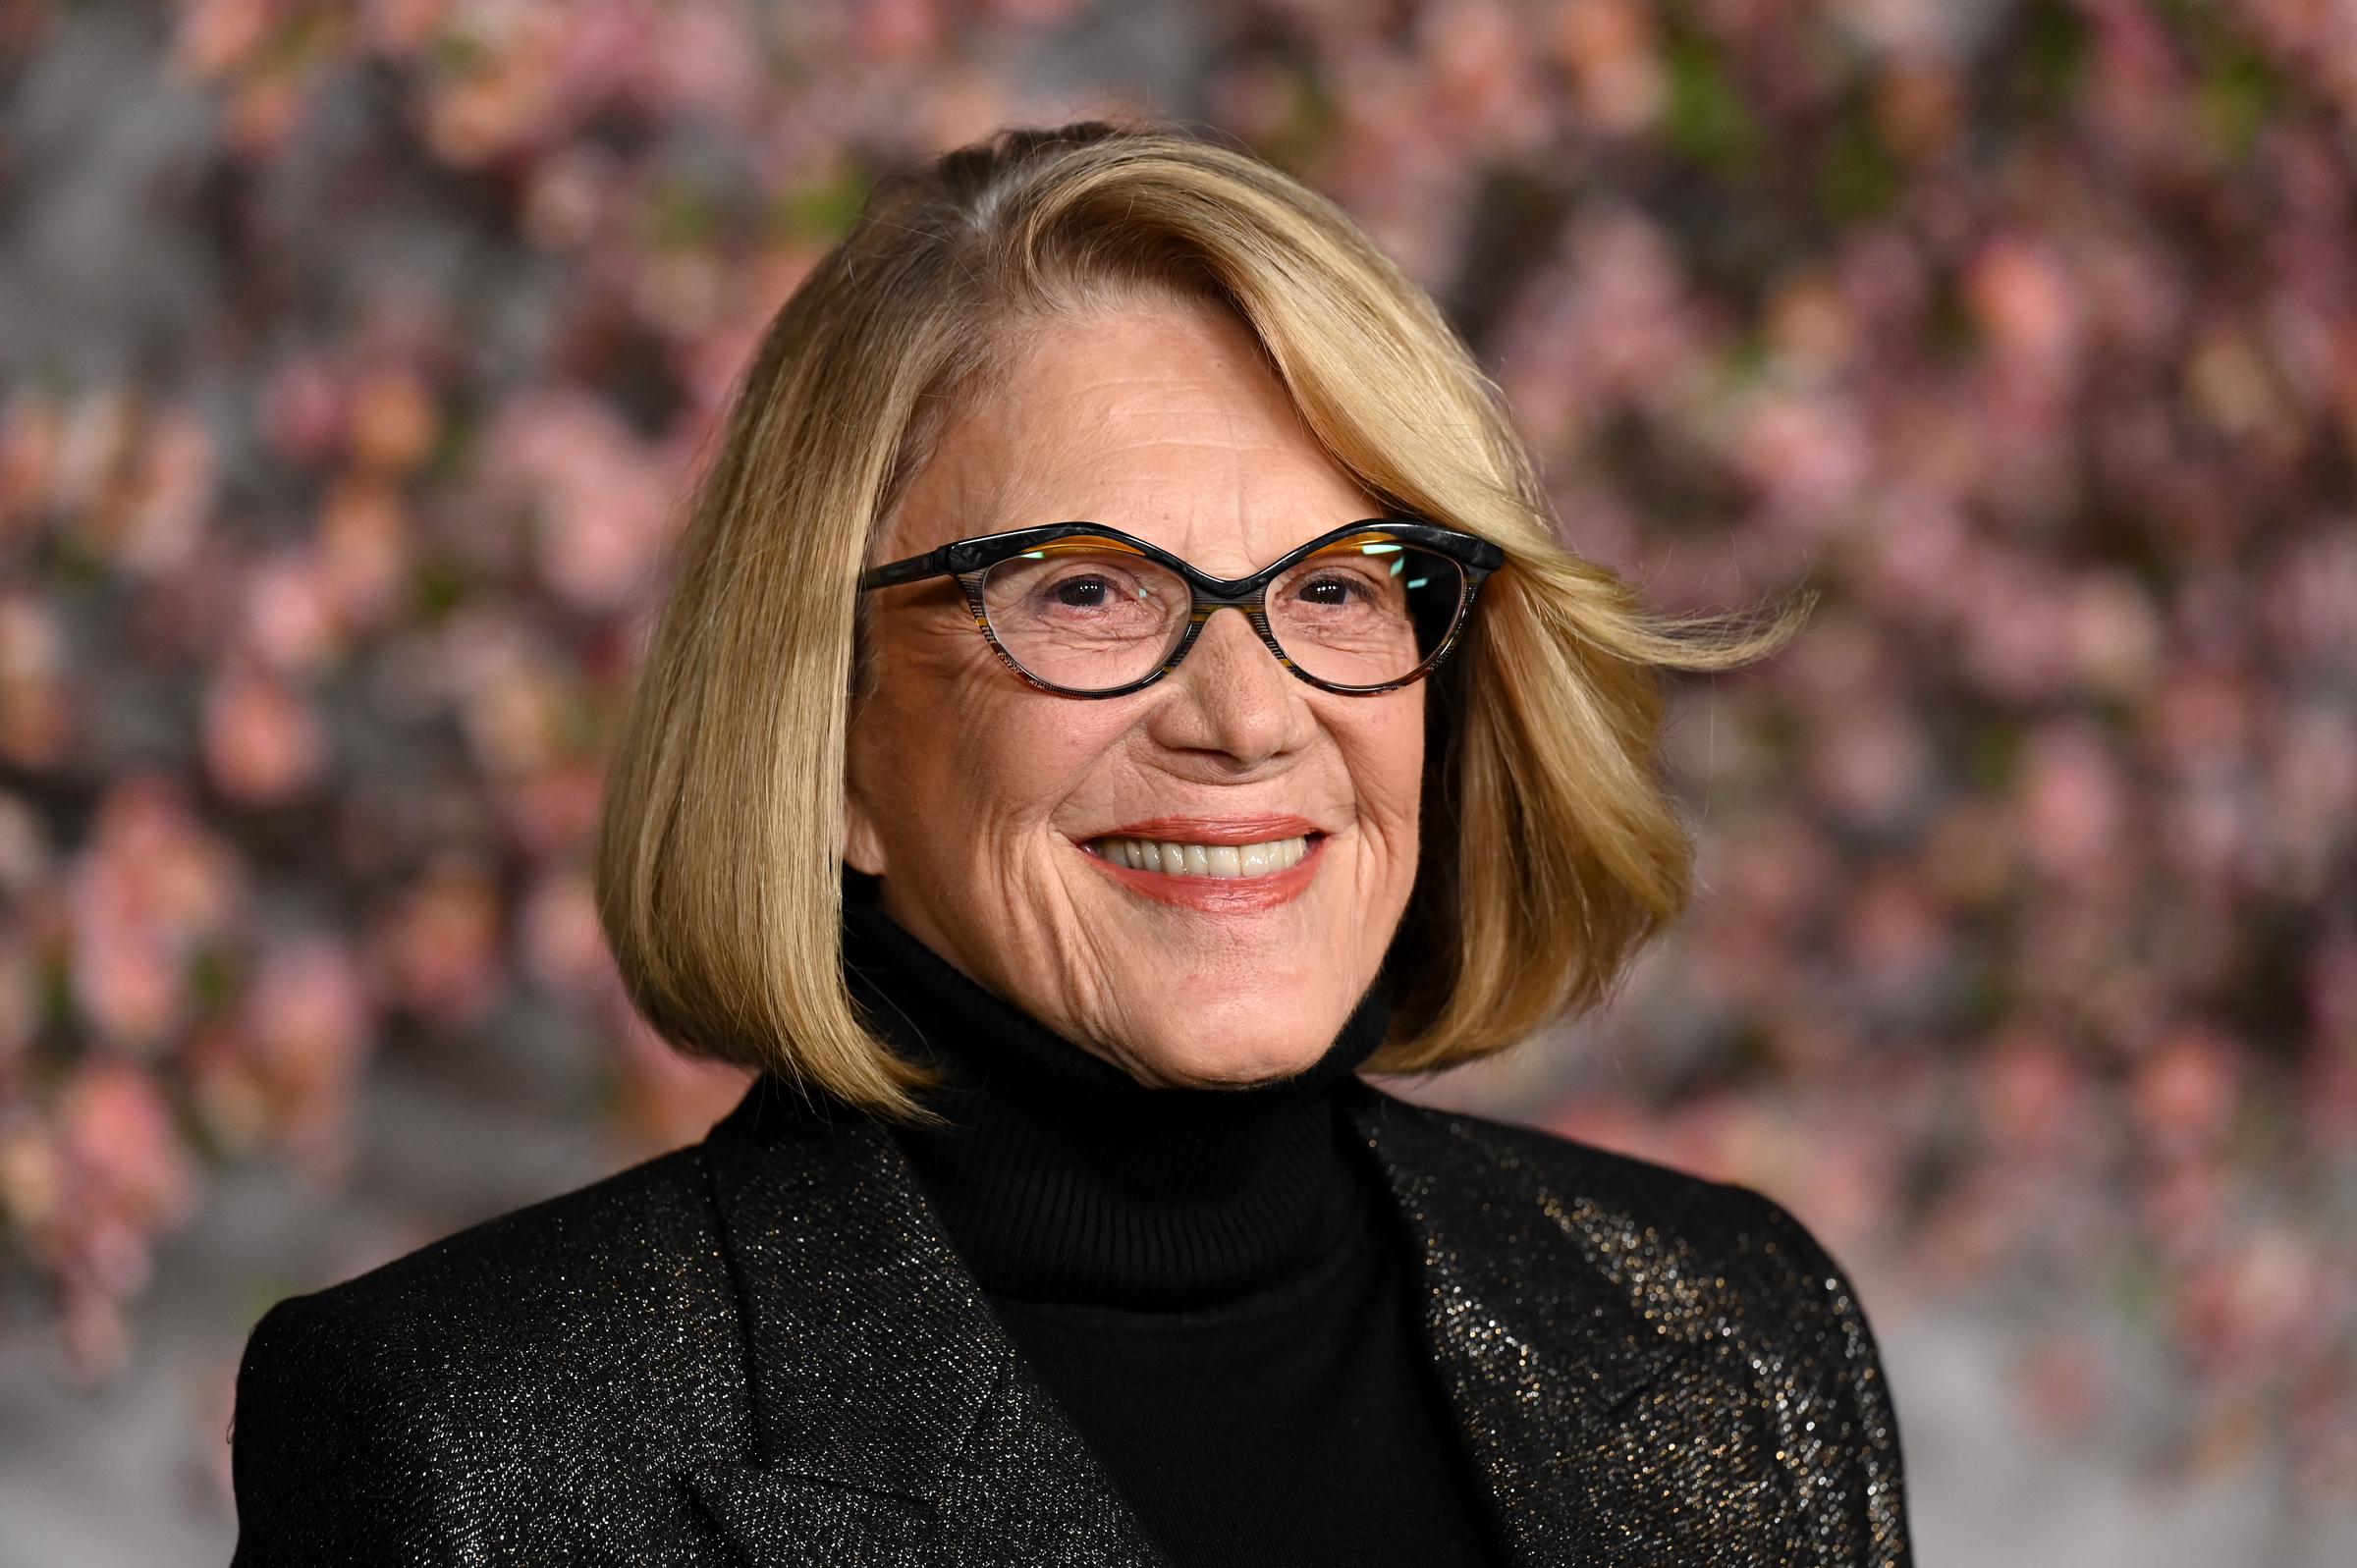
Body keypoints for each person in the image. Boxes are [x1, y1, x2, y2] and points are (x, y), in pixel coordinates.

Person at [227, 117, 1912, 1567]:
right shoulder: (468, 1444)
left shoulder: (1737, 1329)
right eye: (1090, 591)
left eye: (1337, 588)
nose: (1248, 720)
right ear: (834, 739)